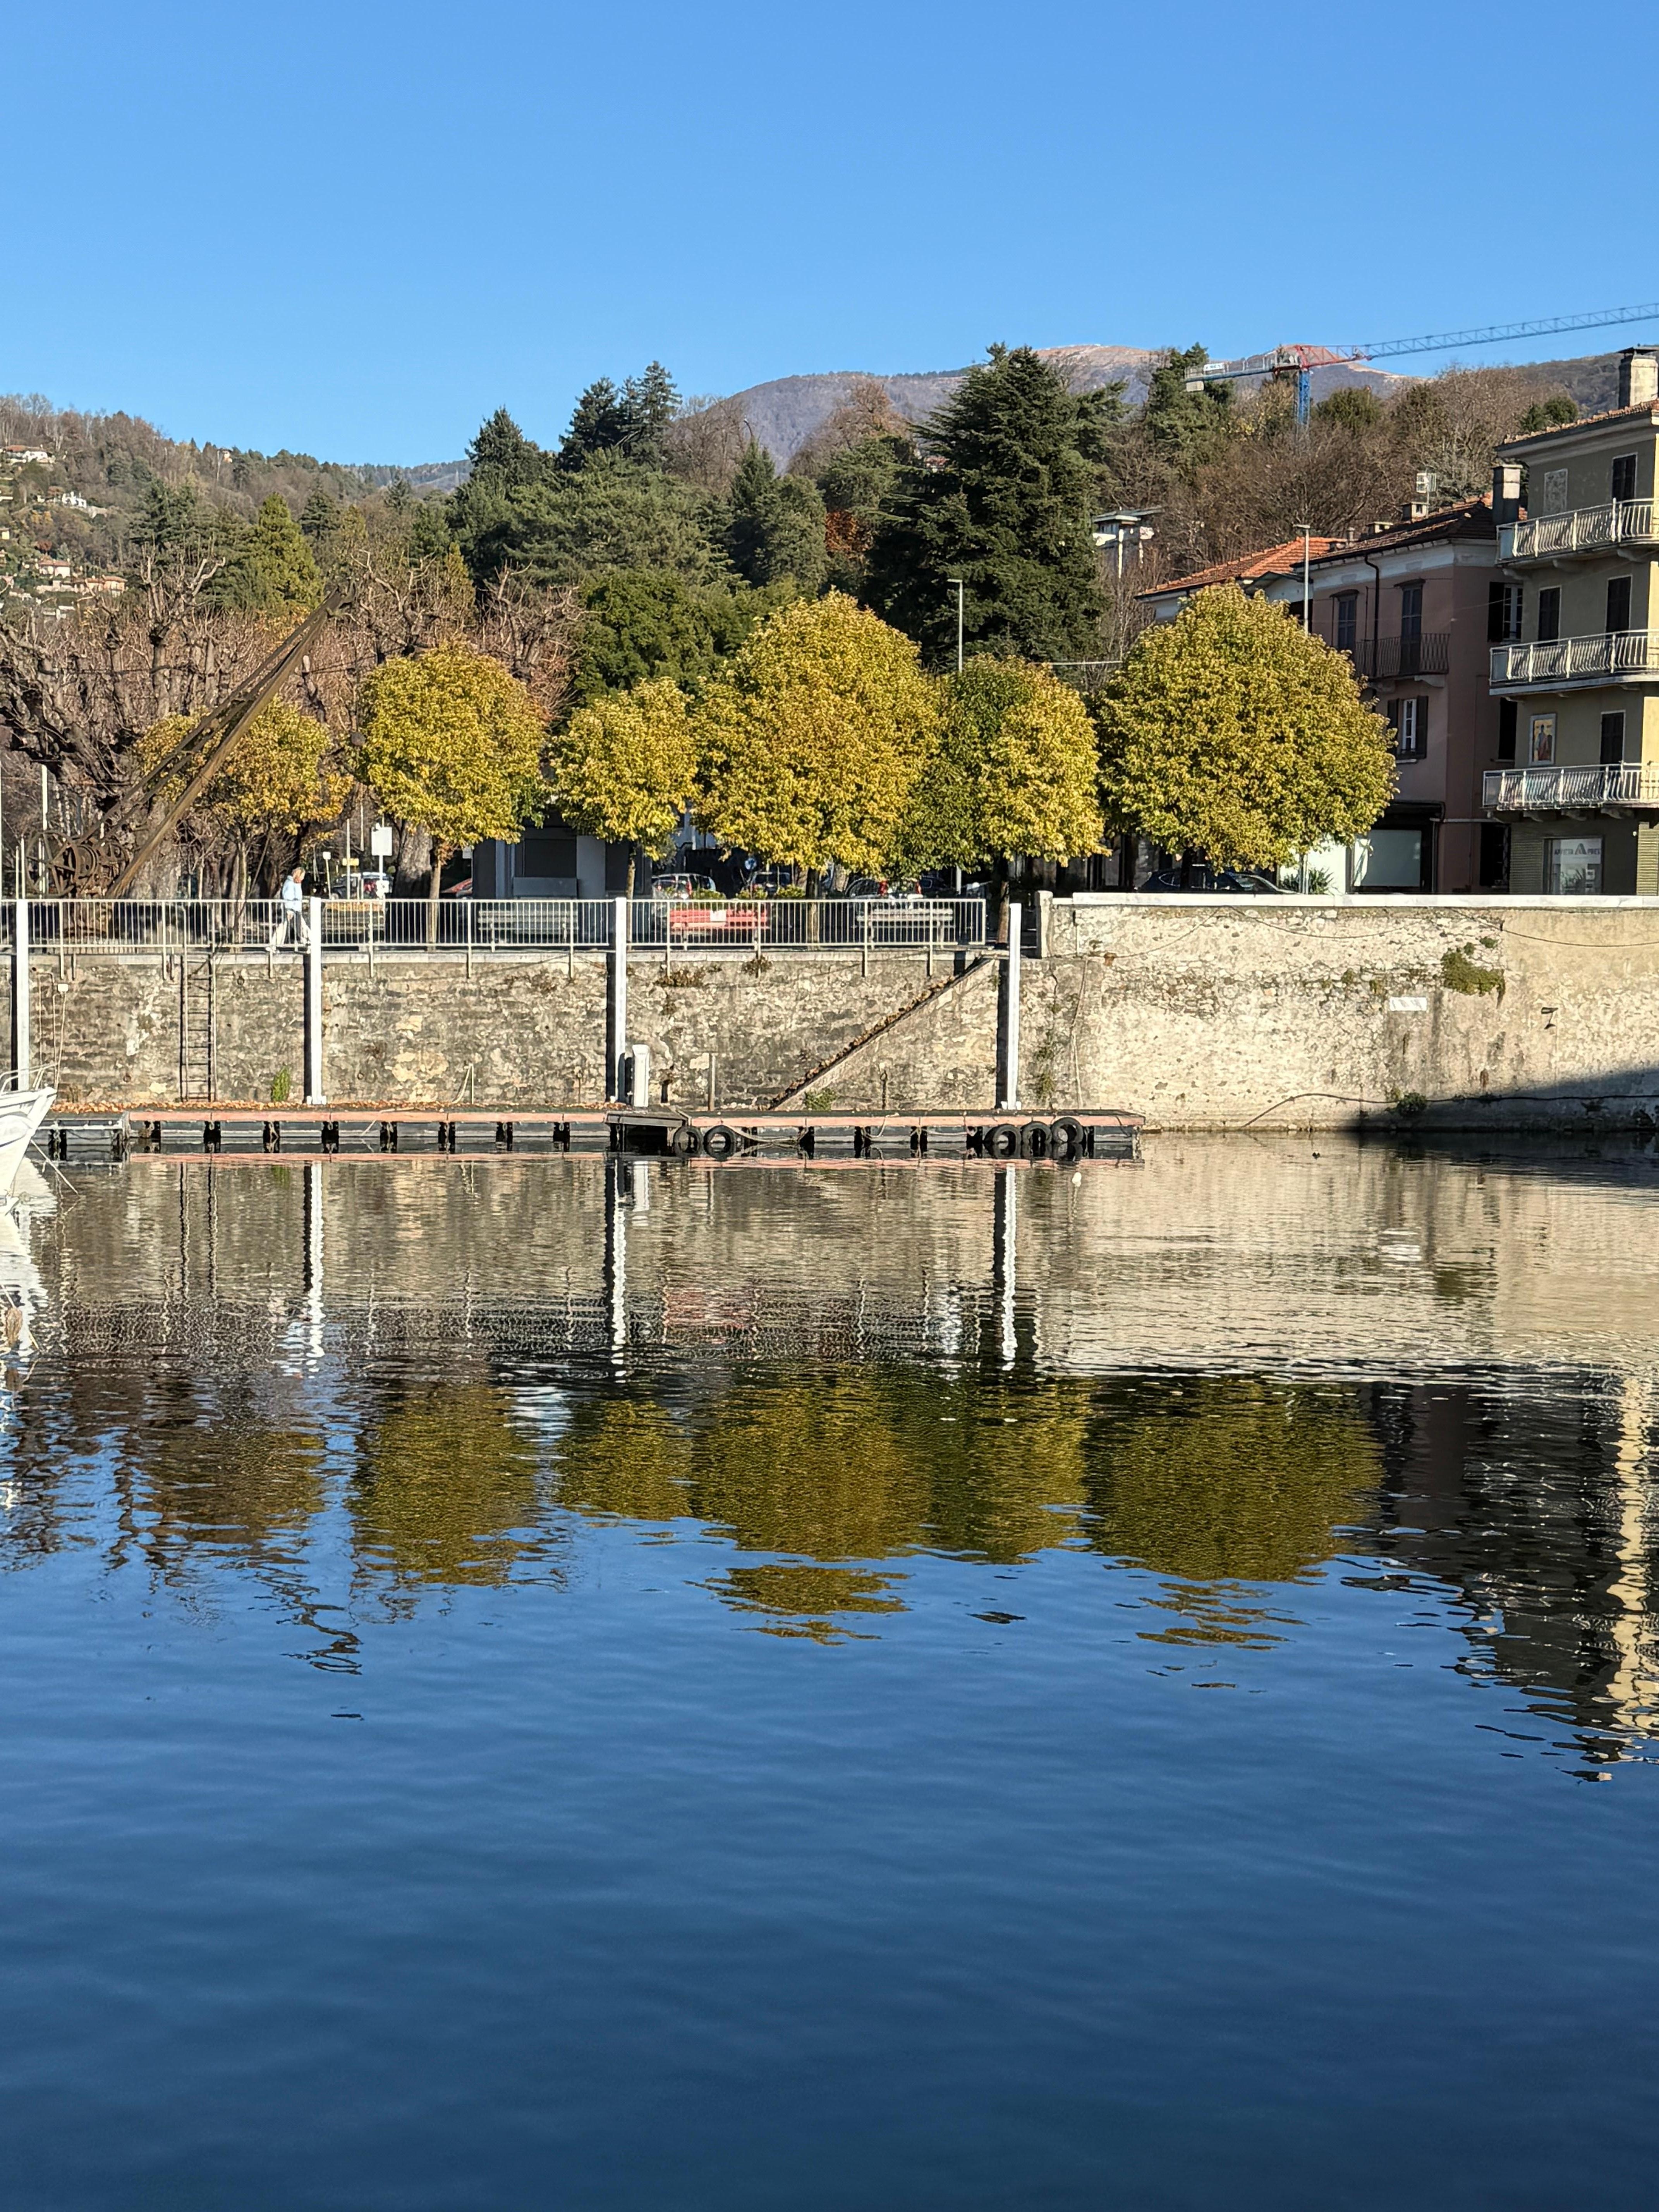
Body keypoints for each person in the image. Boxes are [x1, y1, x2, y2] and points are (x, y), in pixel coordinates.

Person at [272, 866, 308, 948]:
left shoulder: (295, 884)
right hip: (292, 909)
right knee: (300, 927)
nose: (303, 879)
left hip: (296, 909)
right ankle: (309, 943)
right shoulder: (291, 884)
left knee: (287, 926)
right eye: (302, 876)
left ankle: (274, 944)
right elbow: (289, 897)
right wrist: (290, 910)